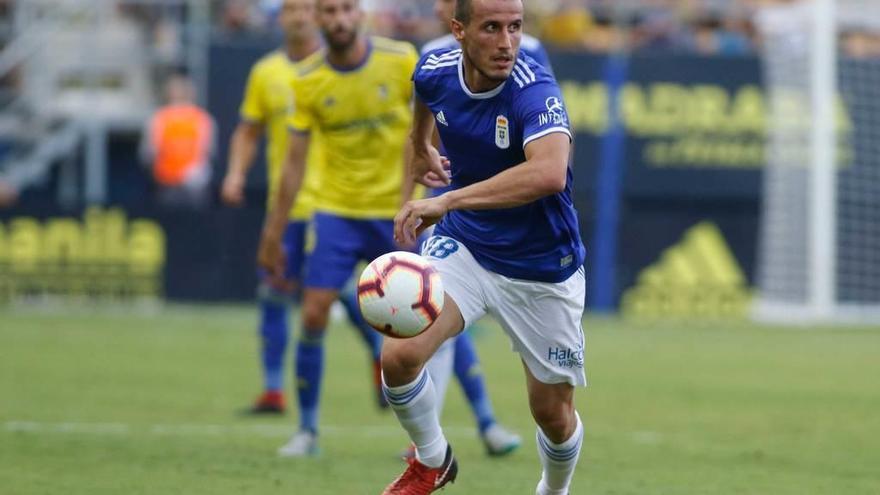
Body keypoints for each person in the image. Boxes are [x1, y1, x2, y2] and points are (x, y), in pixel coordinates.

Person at [381, 0, 586, 493]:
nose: (506, 42)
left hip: (542, 267)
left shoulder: (532, 89)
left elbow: (549, 172)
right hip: (467, 247)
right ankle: (432, 460)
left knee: (552, 416)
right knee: (399, 357)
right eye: (491, 28)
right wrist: (418, 147)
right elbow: (424, 97)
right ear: (458, 31)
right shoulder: (433, 67)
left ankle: (554, 490)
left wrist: (445, 200)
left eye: (515, 27)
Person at [256, 0, 419, 457]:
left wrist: (424, 194)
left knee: (418, 330)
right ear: (316, 18)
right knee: (312, 315)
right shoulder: (307, 80)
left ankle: (421, 438)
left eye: (347, 9)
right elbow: (292, 165)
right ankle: (307, 431)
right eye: (329, 11)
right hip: (336, 211)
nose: (339, 20)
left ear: (361, 13)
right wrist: (273, 233)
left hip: (396, 211)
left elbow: (429, 129)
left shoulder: (401, 59)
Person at [224, 0, 386, 416]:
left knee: (338, 297)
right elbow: (248, 130)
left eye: (303, 8)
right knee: (274, 293)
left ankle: (382, 357)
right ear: (282, 18)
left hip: (329, 203)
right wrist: (235, 175)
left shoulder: (338, 69)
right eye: (290, 9)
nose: (298, 16)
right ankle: (274, 390)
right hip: (288, 203)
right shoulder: (267, 72)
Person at [141, 73, 215, 209]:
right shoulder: (160, 118)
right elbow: (150, 151)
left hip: (194, 181)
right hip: (166, 180)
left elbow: (207, 149)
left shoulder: (201, 118)